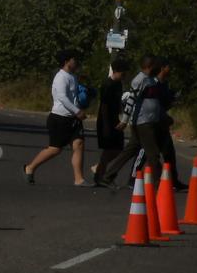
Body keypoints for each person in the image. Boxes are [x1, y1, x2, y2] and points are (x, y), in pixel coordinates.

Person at [23, 49, 91, 187]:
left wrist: (82, 102)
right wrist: (77, 111)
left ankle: (79, 179)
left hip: (73, 119)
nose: (76, 62)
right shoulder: (61, 77)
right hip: (59, 119)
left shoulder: (72, 76)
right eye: (73, 59)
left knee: (78, 145)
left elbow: (73, 96)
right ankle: (30, 167)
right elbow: (62, 98)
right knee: (55, 149)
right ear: (66, 62)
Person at [100, 55, 165, 189]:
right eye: (155, 66)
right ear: (148, 66)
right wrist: (124, 120)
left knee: (129, 151)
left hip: (149, 120)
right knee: (152, 153)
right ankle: (160, 182)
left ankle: (107, 176)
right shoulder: (139, 80)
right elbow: (131, 100)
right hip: (142, 122)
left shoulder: (151, 80)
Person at [92, 57, 129, 186]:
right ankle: (100, 176)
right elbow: (104, 106)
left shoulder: (119, 84)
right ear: (117, 71)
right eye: (123, 73)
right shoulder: (107, 84)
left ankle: (99, 169)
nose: (125, 76)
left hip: (115, 119)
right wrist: (106, 126)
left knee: (118, 149)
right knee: (109, 149)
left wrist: (121, 117)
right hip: (106, 121)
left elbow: (118, 103)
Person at [155, 60, 188, 191]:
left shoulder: (165, 84)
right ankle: (135, 177)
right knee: (148, 153)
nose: (170, 70)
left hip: (163, 123)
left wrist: (173, 98)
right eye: (168, 67)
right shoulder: (154, 83)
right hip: (154, 122)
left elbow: (166, 102)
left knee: (169, 153)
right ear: (163, 68)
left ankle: (173, 180)